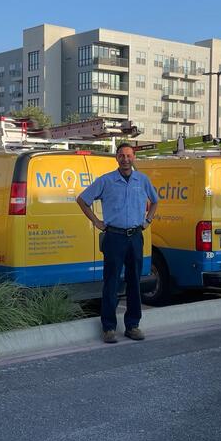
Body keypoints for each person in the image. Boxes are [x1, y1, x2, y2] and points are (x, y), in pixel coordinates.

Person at [77, 143, 159, 344]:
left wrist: (148, 220)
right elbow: (82, 199)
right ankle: (109, 328)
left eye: (129, 155)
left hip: (135, 237)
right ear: (116, 158)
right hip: (114, 237)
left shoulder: (142, 180)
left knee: (134, 282)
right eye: (121, 155)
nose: (125, 159)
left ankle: (133, 325)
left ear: (134, 158)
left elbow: (155, 201)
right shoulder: (106, 181)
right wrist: (96, 221)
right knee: (111, 283)